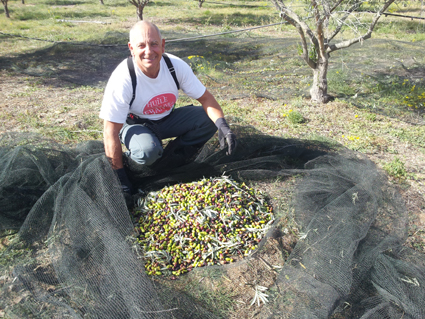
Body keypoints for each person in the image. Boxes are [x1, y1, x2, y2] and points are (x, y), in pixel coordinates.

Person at [100, 20, 237, 196]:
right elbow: (109, 131)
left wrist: (223, 126)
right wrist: (120, 178)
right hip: (135, 124)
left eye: (154, 44)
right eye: (141, 45)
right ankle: (131, 161)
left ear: (163, 45)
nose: (148, 51)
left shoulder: (175, 66)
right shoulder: (123, 78)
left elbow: (206, 98)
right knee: (147, 152)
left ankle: (173, 157)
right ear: (131, 48)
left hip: (166, 119)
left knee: (208, 120)